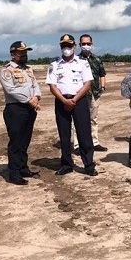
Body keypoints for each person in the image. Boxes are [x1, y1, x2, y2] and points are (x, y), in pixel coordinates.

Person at [46, 34, 98, 176]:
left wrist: (74, 100)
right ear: (60, 47)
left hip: (79, 101)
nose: (66, 48)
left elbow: (87, 84)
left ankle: (88, 164)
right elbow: (52, 86)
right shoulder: (54, 64)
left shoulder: (82, 62)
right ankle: (66, 164)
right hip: (61, 101)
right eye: (64, 46)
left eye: (69, 46)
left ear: (74, 46)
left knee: (84, 134)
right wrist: (64, 100)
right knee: (64, 135)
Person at [0, 41, 42, 186]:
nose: (24, 55)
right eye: (21, 52)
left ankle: (24, 168)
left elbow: (35, 84)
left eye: (25, 52)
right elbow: (10, 90)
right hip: (15, 109)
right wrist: (29, 100)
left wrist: (36, 96)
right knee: (16, 142)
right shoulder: (6, 70)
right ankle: (14, 173)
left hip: (30, 108)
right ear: (13, 54)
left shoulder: (28, 69)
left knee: (25, 140)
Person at [71, 34, 108, 152]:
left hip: (94, 94)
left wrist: (102, 87)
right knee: (78, 120)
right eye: (83, 44)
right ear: (79, 45)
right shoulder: (75, 61)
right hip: (80, 95)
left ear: (92, 44)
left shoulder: (97, 60)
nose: (86, 46)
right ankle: (77, 145)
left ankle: (94, 142)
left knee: (94, 119)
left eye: (88, 43)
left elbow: (102, 74)